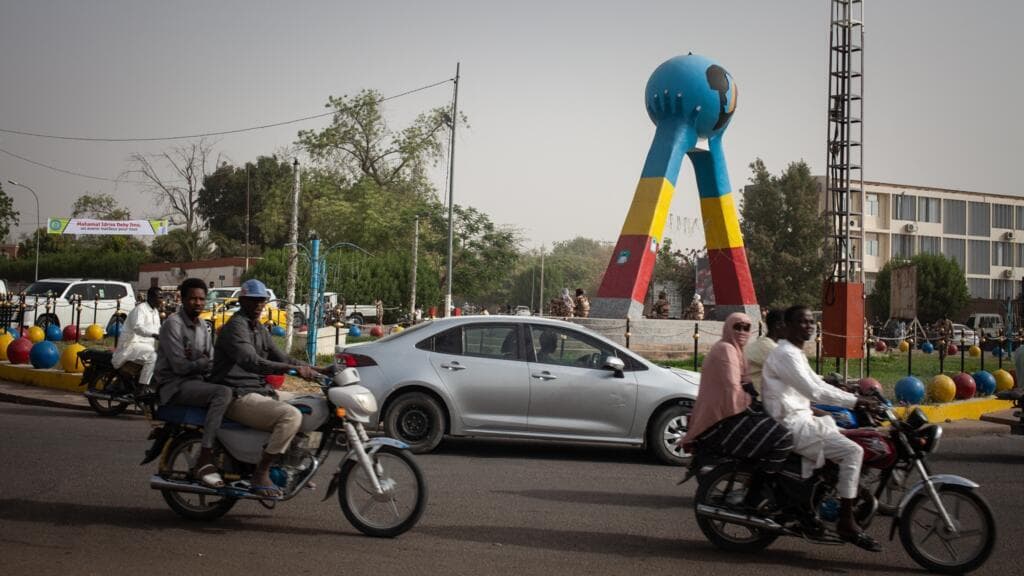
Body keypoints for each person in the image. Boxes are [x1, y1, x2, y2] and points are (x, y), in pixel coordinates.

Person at [762, 305, 881, 552]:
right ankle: (846, 521)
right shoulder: (785, 354)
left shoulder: (795, 353)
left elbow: (816, 381)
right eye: (802, 322)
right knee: (853, 452)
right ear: (788, 326)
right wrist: (855, 401)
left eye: (810, 322)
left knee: (849, 435)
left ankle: (819, 501)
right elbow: (814, 391)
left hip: (803, 418)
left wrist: (853, 391)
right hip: (791, 423)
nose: (808, 326)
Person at [211, 279, 322, 498]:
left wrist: (320, 370)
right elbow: (253, 362)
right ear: (242, 301)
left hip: (260, 390)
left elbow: (281, 357)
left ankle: (292, 464)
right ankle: (261, 472)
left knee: (312, 404)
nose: (259, 304)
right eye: (254, 300)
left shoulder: (258, 328)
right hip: (237, 394)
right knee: (290, 416)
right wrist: (292, 370)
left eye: (262, 300)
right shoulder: (236, 328)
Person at [681, 313, 792, 469]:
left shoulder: (737, 350)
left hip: (733, 410)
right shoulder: (726, 350)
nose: (741, 332)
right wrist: (754, 404)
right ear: (728, 328)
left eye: (746, 328)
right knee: (783, 436)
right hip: (723, 417)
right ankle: (761, 484)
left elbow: (747, 382)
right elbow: (732, 388)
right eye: (737, 327)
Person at [154, 278, 233, 489]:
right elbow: (180, 366)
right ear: (183, 299)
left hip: (196, 381)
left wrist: (204, 364)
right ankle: (205, 457)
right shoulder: (173, 324)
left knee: (234, 390)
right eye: (193, 299)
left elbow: (212, 360)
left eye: (201, 299)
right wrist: (202, 363)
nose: (198, 303)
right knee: (222, 394)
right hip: (174, 386)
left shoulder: (202, 327)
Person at [112, 286, 162, 388]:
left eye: (162, 297)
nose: (161, 300)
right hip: (132, 344)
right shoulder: (140, 309)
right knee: (153, 356)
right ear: (151, 297)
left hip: (146, 345)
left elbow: (159, 329)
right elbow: (137, 328)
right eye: (159, 297)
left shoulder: (155, 312)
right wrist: (153, 335)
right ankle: (143, 387)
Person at [745, 309, 785, 391]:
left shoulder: (764, 343)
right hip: (761, 398)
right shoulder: (770, 349)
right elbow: (794, 375)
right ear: (778, 325)